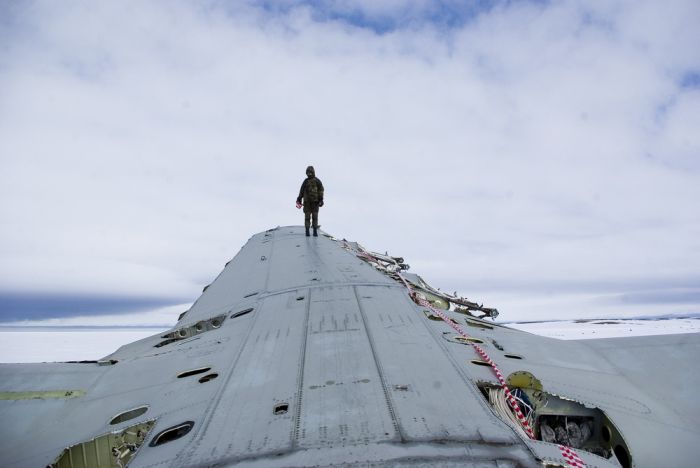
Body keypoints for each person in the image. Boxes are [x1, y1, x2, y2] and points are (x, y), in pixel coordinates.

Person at [296, 166, 324, 237]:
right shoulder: (306, 181)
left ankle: (314, 231)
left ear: (313, 172)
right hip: (307, 203)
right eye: (308, 173)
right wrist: (299, 199)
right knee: (308, 217)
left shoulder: (317, 181)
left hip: (315, 203)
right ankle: (308, 231)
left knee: (314, 217)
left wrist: (321, 200)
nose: (309, 174)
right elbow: (301, 191)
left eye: (310, 172)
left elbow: (321, 190)